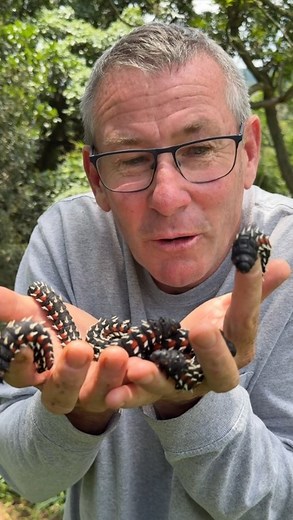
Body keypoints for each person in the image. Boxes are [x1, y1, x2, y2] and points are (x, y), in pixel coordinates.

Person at [0, 22, 292, 520]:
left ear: (247, 153)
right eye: (131, 159)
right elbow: (27, 477)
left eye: (200, 149)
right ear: (96, 177)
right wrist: (79, 411)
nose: (168, 197)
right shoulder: (66, 240)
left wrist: (192, 405)